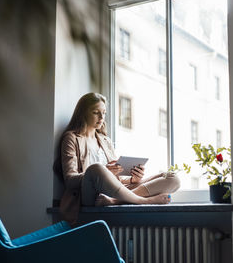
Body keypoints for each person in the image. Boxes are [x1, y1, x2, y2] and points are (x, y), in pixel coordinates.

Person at [55, 92, 180, 224]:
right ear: (83, 113)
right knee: (96, 168)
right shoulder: (72, 138)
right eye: (96, 112)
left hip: (113, 194)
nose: (101, 117)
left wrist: (133, 179)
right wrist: (104, 170)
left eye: (103, 112)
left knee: (172, 178)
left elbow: (117, 178)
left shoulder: (105, 140)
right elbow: (70, 180)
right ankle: (143, 201)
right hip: (91, 195)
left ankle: (115, 201)